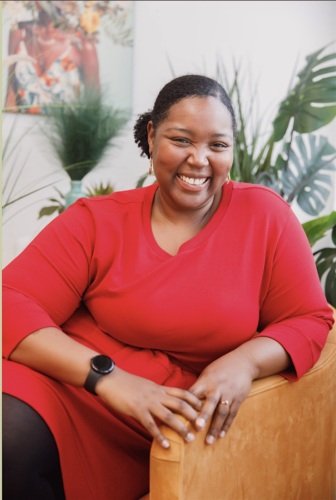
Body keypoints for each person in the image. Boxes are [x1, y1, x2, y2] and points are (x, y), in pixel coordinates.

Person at [2, 74, 334, 500]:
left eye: (217, 145)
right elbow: (9, 300)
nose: (199, 159)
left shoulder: (265, 218)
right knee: (8, 446)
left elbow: (308, 317)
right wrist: (109, 379)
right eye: (181, 140)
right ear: (152, 135)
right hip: (76, 386)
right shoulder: (97, 219)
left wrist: (243, 363)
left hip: (169, 419)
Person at [4, 5, 99, 113]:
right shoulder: (20, 32)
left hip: (66, 130)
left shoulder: (82, 45)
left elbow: (94, 112)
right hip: (23, 127)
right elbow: (11, 98)